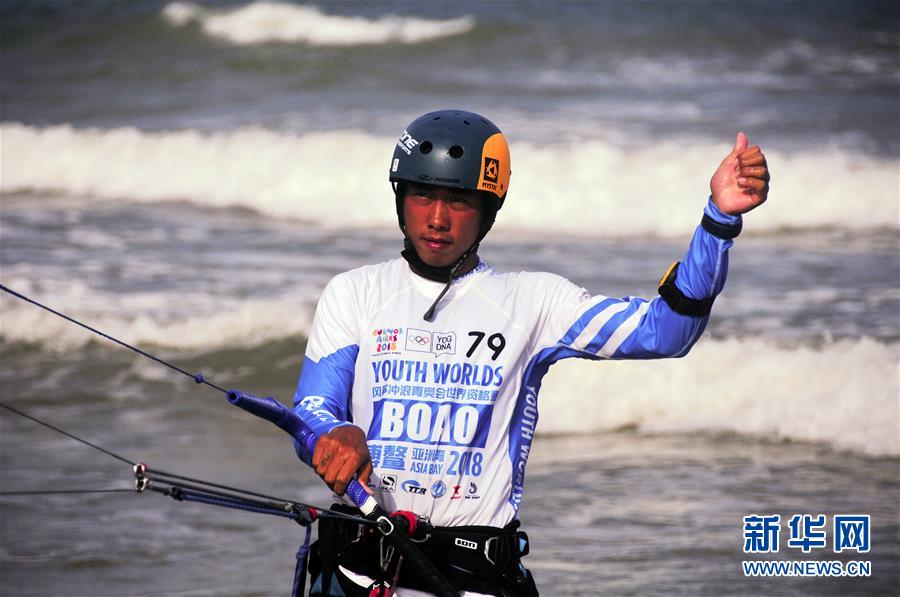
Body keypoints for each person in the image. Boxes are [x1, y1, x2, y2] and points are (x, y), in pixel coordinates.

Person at [293, 110, 769, 596]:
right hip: (357, 573)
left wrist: (719, 220)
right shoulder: (353, 293)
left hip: (475, 580)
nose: (437, 218)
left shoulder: (534, 302)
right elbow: (312, 410)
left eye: (458, 200)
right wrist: (334, 434)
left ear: (488, 209)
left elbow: (667, 332)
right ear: (400, 198)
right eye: (422, 195)